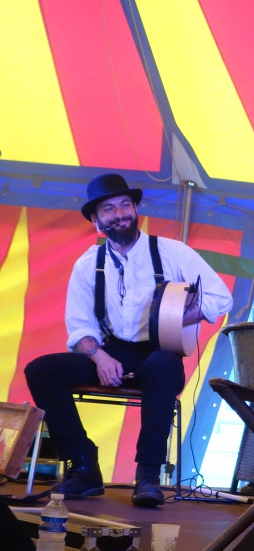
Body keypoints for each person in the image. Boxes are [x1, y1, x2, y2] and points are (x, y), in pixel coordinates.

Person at [25, 173, 232, 507]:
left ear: (136, 210)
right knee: (40, 370)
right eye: (109, 209)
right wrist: (100, 357)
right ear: (96, 221)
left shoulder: (173, 252)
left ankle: (148, 475)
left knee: (163, 365)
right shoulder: (88, 264)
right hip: (112, 353)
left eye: (125, 205)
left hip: (160, 353)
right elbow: (79, 327)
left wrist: (173, 317)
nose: (119, 213)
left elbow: (220, 298)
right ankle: (83, 464)